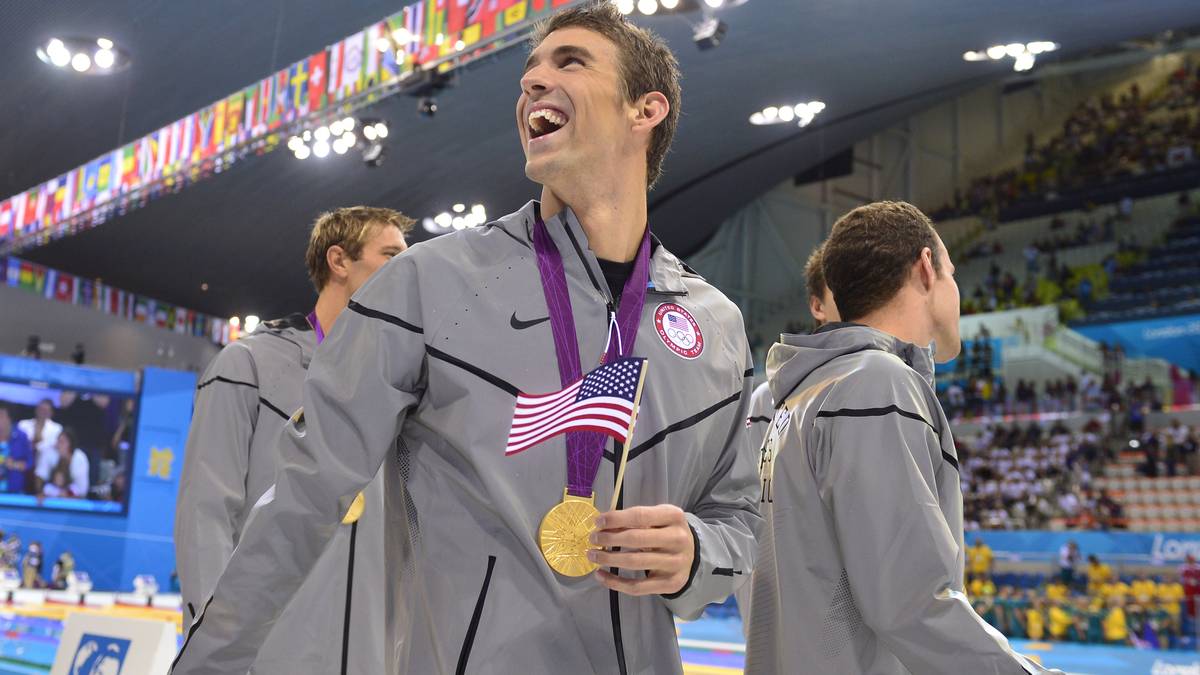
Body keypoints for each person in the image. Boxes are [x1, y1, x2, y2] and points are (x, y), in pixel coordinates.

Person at [172, 6, 760, 674]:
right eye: (529, 73)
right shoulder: (429, 284)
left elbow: (739, 515)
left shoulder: (712, 325)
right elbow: (303, 497)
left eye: (569, 62)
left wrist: (697, 551)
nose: (532, 83)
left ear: (644, 109)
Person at [744, 201, 1054, 673]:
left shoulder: (786, 397)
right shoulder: (875, 382)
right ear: (926, 269)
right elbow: (911, 603)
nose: (955, 289)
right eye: (951, 271)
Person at [174, 207, 412, 675]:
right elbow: (206, 513)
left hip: (372, 649)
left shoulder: (399, 385)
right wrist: (218, 648)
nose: (408, 270)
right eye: (390, 256)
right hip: (272, 647)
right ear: (339, 261)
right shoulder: (248, 366)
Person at [737, 242, 838, 632]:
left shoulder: (895, 389)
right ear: (817, 306)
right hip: (795, 627)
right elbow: (751, 520)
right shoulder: (769, 400)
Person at [18, 399, 61, 493]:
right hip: (25, 462)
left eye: (46, 410)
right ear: (36, 410)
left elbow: (52, 447)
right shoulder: (23, 424)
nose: (43, 412)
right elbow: (19, 444)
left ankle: (41, 490)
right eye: (41, 409)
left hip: (45, 466)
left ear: (51, 412)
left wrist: (36, 446)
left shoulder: (56, 428)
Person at [40, 428, 89, 499]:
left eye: (61, 442)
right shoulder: (51, 453)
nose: (57, 445)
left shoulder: (80, 458)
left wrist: (67, 495)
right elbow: (41, 476)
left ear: (70, 444)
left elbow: (82, 491)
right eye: (58, 441)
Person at [0, 407, 34, 495]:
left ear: (9, 419)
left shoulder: (21, 437)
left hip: (15, 492)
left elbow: (30, 463)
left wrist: (14, 465)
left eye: (1, 416)